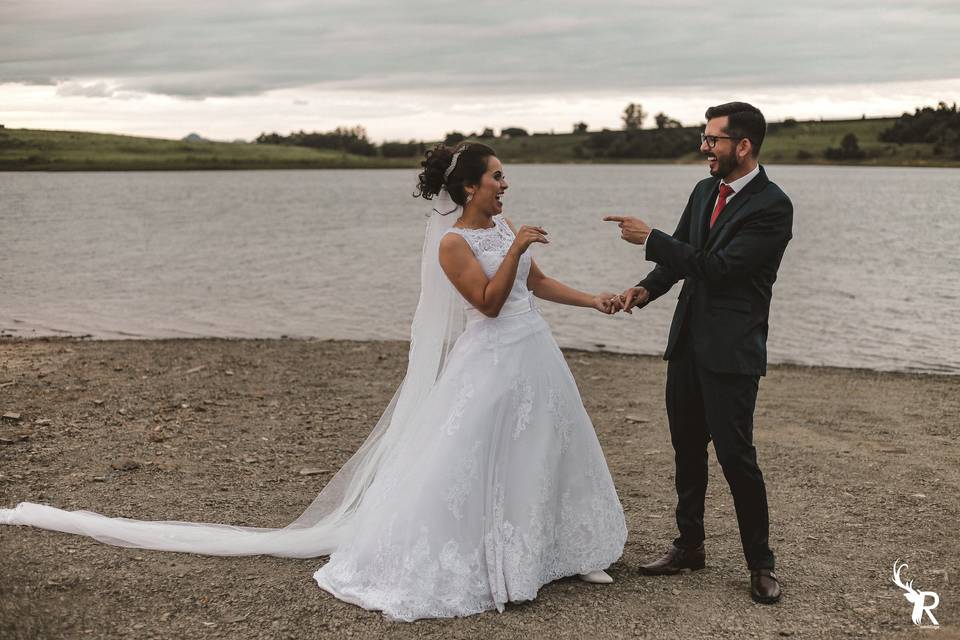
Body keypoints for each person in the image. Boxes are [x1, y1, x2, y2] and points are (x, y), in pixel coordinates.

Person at [1, 141, 628, 621]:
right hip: (489, 359)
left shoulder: (499, 228)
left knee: (545, 447)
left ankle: (554, 555)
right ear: (469, 186)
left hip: (535, 353)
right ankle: (490, 564)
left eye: (503, 176)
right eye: (496, 176)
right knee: (477, 458)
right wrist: (515, 247)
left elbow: (534, 287)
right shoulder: (455, 243)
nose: (505, 183)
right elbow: (488, 304)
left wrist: (593, 299)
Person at [604, 102, 792, 604]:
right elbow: (681, 259)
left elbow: (719, 267)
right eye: (705, 138)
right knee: (686, 450)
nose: (704, 148)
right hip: (687, 341)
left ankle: (762, 564)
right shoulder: (704, 190)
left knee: (737, 458)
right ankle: (689, 547)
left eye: (713, 139)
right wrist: (643, 290)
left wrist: (652, 238)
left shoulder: (774, 206)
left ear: (743, 145)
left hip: (731, 352)